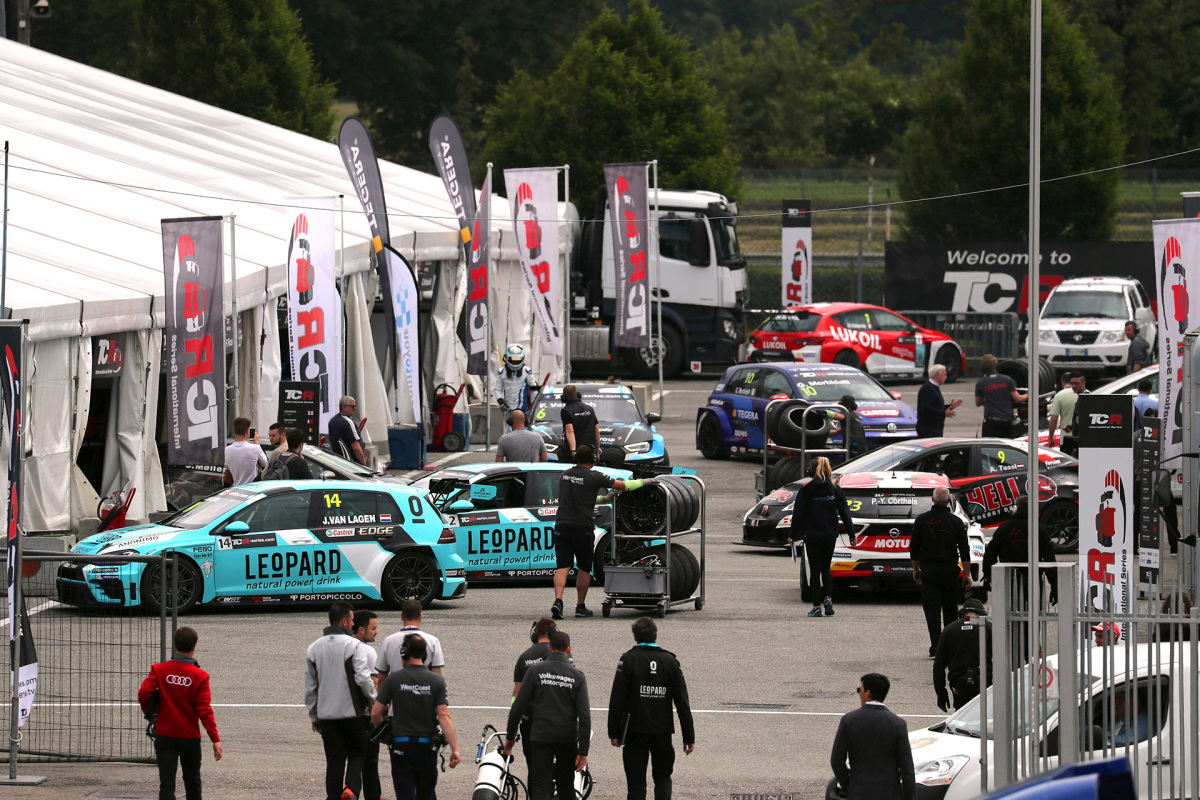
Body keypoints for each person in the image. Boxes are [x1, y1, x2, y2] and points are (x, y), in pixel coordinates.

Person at [552, 444, 652, 619]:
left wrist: (603, 499)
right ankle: (580, 607)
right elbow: (622, 485)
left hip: (561, 527)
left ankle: (558, 602)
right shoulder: (595, 476)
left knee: (563, 566)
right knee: (584, 568)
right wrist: (645, 482)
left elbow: (579, 497)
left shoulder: (565, 475)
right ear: (593, 459)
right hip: (582, 528)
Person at [607, 617, 695, 800]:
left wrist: (613, 732)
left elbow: (617, 699)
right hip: (662, 733)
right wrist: (689, 736)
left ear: (634, 636)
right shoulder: (670, 661)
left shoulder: (628, 659)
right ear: (656, 635)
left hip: (634, 732)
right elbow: (682, 702)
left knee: (636, 782)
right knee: (663, 778)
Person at [371, 634, 460, 799]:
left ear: (404, 653)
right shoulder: (436, 681)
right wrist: (455, 749)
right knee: (426, 794)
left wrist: (385, 734)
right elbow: (444, 716)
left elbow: (375, 713)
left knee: (405, 794)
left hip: (400, 746)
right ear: (425, 655)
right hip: (426, 747)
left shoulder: (393, 679)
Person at [505, 630, 591, 800]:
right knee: (566, 787)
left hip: (541, 737)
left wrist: (510, 736)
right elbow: (585, 716)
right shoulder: (578, 677)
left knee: (541, 787)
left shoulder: (535, 671)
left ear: (550, 649)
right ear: (569, 650)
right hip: (567, 739)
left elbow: (518, 707)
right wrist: (583, 750)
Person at [139, 626, 222, 800]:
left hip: (165, 734)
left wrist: (152, 715)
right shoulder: (200, 676)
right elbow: (204, 710)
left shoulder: (159, 669)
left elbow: (144, 693)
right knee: (192, 782)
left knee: (167, 784)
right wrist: (215, 738)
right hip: (189, 736)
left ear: (175, 645)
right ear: (195, 646)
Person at [305, 602, 377, 800]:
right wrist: (374, 702)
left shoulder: (313, 648)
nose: (353, 624)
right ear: (344, 621)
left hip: (327, 716)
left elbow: (310, 688)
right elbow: (363, 678)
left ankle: (334, 796)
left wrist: (314, 716)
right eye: (353, 621)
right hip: (353, 713)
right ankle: (351, 789)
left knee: (334, 760)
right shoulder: (354, 646)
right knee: (358, 752)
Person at [830, 673, 916, 800]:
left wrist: (850, 787)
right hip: (889, 793)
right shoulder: (897, 724)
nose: (859, 693)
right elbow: (907, 769)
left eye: (860, 690)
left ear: (868, 693)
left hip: (858, 792)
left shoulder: (849, 720)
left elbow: (837, 761)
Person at [788, 456, 856, 618]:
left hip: (812, 535)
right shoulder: (835, 489)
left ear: (811, 471)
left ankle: (816, 606)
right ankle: (828, 599)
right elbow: (845, 513)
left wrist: (792, 535)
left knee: (815, 570)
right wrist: (851, 534)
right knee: (826, 567)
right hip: (830, 534)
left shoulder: (806, 489)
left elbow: (798, 514)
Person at [910, 486, 972, 657]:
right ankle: (949, 647)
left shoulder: (922, 520)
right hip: (949, 570)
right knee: (950, 608)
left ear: (932, 500)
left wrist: (916, 568)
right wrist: (967, 573)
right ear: (948, 501)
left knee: (932, 609)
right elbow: (964, 550)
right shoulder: (956, 522)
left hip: (929, 570)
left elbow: (914, 548)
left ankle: (936, 647)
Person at [981, 497, 1059, 608]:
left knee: (1011, 616)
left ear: (1015, 509)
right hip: (1033, 580)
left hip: (1010, 580)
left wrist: (987, 576)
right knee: (1033, 616)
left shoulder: (1003, 528)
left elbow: (990, 554)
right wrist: (1054, 585)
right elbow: (1049, 561)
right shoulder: (1040, 530)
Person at [513, 618, 558, 777]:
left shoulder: (524, 657)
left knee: (534, 769)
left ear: (534, 635)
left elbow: (516, 694)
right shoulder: (558, 653)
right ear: (554, 634)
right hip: (555, 721)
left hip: (530, 722)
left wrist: (517, 717)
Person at [932, 600, 992, 712]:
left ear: (964, 613)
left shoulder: (950, 629)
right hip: (985, 681)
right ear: (981, 613)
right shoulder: (989, 628)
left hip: (959, 682)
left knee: (961, 717)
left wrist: (941, 693)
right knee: (985, 716)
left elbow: (939, 665)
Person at [351, 610, 382, 800]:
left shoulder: (344, 647)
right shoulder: (368, 651)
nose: (377, 632)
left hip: (342, 712)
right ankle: (373, 796)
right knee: (370, 759)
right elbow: (374, 682)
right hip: (364, 713)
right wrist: (377, 707)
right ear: (361, 629)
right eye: (374, 628)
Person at [376, 599, 446, 677]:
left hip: (396, 688)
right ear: (420, 617)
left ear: (402, 616)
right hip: (424, 688)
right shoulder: (433, 641)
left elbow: (381, 678)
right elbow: (437, 675)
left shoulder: (388, 641)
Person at [974, 355, 1026, 437]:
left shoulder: (981, 383)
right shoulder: (1007, 380)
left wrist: (989, 399)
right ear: (995, 366)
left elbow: (977, 402)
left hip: (991, 422)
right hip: (1006, 422)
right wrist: (1029, 394)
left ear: (982, 368)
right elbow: (1018, 398)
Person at [916, 364, 962, 438]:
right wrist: (943, 414)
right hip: (928, 430)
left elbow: (935, 406)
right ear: (937, 374)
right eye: (944, 374)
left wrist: (949, 406)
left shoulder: (934, 387)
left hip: (934, 429)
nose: (946, 377)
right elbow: (927, 410)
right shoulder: (927, 389)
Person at [496, 343, 540, 414]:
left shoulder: (527, 372)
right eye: (513, 359)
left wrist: (533, 406)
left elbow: (533, 390)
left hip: (522, 409)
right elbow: (497, 389)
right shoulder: (501, 372)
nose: (515, 361)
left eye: (517, 359)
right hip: (506, 409)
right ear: (507, 358)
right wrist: (501, 402)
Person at [560, 384, 600, 460]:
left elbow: (570, 432)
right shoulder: (590, 409)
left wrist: (573, 451)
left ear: (564, 397)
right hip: (590, 451)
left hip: (577, 452)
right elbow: (597, 431)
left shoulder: (566, 411)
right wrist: (597, 452)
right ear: (578, 394)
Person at [223, 416, 267, 485]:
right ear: (247, 431)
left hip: (236, 488)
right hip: (252, 488)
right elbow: (265, 463)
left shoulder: (227, 450)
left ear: (234, 430)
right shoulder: (255, 448)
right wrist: (256, 442)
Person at [329, 395, 366, 465]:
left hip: (339, 463)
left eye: (355, 406)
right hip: (352, 464)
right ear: (344, 407)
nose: (354, 408)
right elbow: (356, 447)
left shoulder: (332, 421)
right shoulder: (348, 422)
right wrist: (363, 464)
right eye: (352, 406)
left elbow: (332, 444)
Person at [1060, 374, 1089, 457]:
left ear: (1084, 383)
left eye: (1076, 383)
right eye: (1072, 383)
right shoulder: (1080, 397)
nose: (1073, 386)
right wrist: (1072, 427)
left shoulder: (1086, 398)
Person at [1046, 372, 1076, 447]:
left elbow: (1053, 420)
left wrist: (1050, 438)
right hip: (1084, 440)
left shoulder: (1059, 395)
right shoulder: (1086, 393)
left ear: (1063, 382)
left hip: (1066, 439)